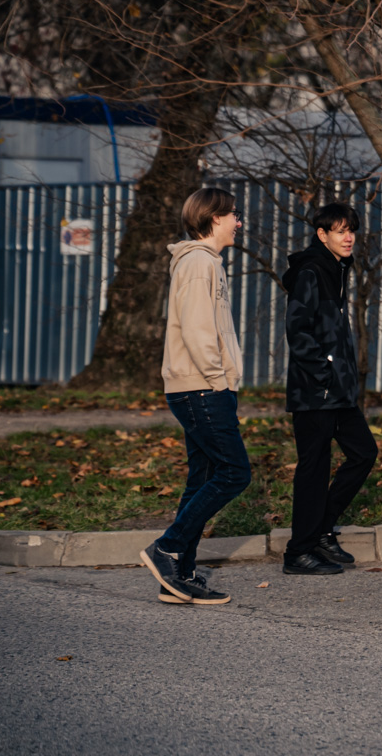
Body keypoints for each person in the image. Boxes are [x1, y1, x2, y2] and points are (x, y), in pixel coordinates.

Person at [140, 188, 251, 605]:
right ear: (214, 217)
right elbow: (197, 329)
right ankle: (167, 548)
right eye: (233, 214)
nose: (238, 222)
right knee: (235, 473)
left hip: (202, 386)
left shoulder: (207, 263)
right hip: (201, 387)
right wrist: (219, 380)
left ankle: (179, 576)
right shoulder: (198, 263)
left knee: (202, 479)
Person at [280, 203, 379, 575]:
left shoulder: (335, 270)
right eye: (340, 231)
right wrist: (324, 374)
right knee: (314, 469)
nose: (348, 237)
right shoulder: (310, 272)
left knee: (364, 453)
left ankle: (321, 529)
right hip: (315, 392)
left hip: (336, 392)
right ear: (322, 235)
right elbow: (298, 331)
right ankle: (298, 552)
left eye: (351, 230)